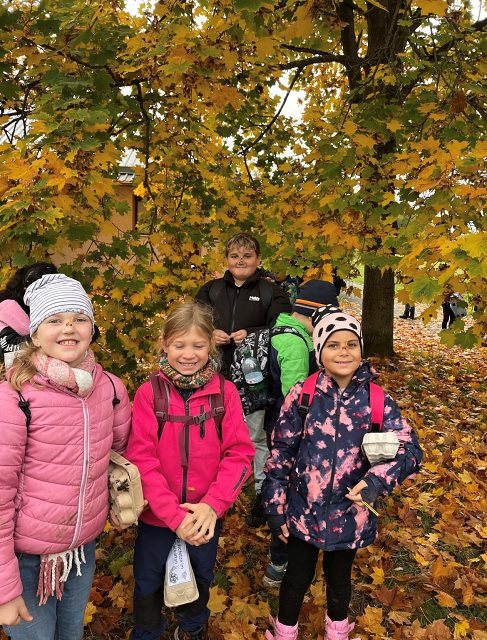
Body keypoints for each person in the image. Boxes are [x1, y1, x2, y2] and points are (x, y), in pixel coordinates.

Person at [262, 306, 422, 640]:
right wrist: (275, 507)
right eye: (333, 345)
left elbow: (409, 450)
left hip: (349, 513)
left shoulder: (377, 400)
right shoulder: (303, 395)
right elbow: (281, 452)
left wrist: (375, 481)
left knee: (339, 579)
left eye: (351, 344)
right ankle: (285, 631)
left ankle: (336, 631)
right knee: (296, 577)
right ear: (320, 351)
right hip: (302, 511)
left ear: (361, 349)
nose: (343, 352)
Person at [0, 273, 131, 640]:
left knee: (70, 634)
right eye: (54, 319)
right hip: (25, 560)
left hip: (80, 553)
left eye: (79, 318)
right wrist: (5, 588)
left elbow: (121, 456)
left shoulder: (110, 389)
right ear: (34, 334)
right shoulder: (15, 399)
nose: (68, 328)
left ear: (92, 328)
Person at [124, 301, 254, 640]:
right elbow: (142, 459)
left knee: (199, 576)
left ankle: (192, 628)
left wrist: (212, 505)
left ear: (211, 344)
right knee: (148, 580)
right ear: (165, 344)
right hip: (157, 515)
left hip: (204, 516)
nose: (188, 354)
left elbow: (240, 455)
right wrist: (173, 516)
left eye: (198, 345)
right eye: (179, 345)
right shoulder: (149, 394)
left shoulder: (224, 393)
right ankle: (147, 632)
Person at [196, 233, 290, 527]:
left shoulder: (271, 292)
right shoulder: (211, 290)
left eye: (247, 256)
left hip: (254, 378)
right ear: (226, 259)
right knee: (209, 434)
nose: (240, 261)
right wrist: (209, 333)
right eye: (234, 255)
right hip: (212, 373)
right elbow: (193, 322)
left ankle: (263, 495)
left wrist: (252, 333)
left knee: (255, 436)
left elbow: (281, 327)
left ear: (258, 260)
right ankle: (209, 497)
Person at [263, 280, 339, 588]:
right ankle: (280, 561)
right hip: (291, 430)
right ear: (315, 314)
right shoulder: (294, 343)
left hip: (285, 425)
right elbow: (295, 398)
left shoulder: (288, 331)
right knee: (292, 490)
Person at [0, 262, 58, 368]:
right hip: (23, 371)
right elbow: (8, 346)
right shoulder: (6, 309)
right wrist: (49, 338)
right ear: (25, 288)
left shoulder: (58, 305)